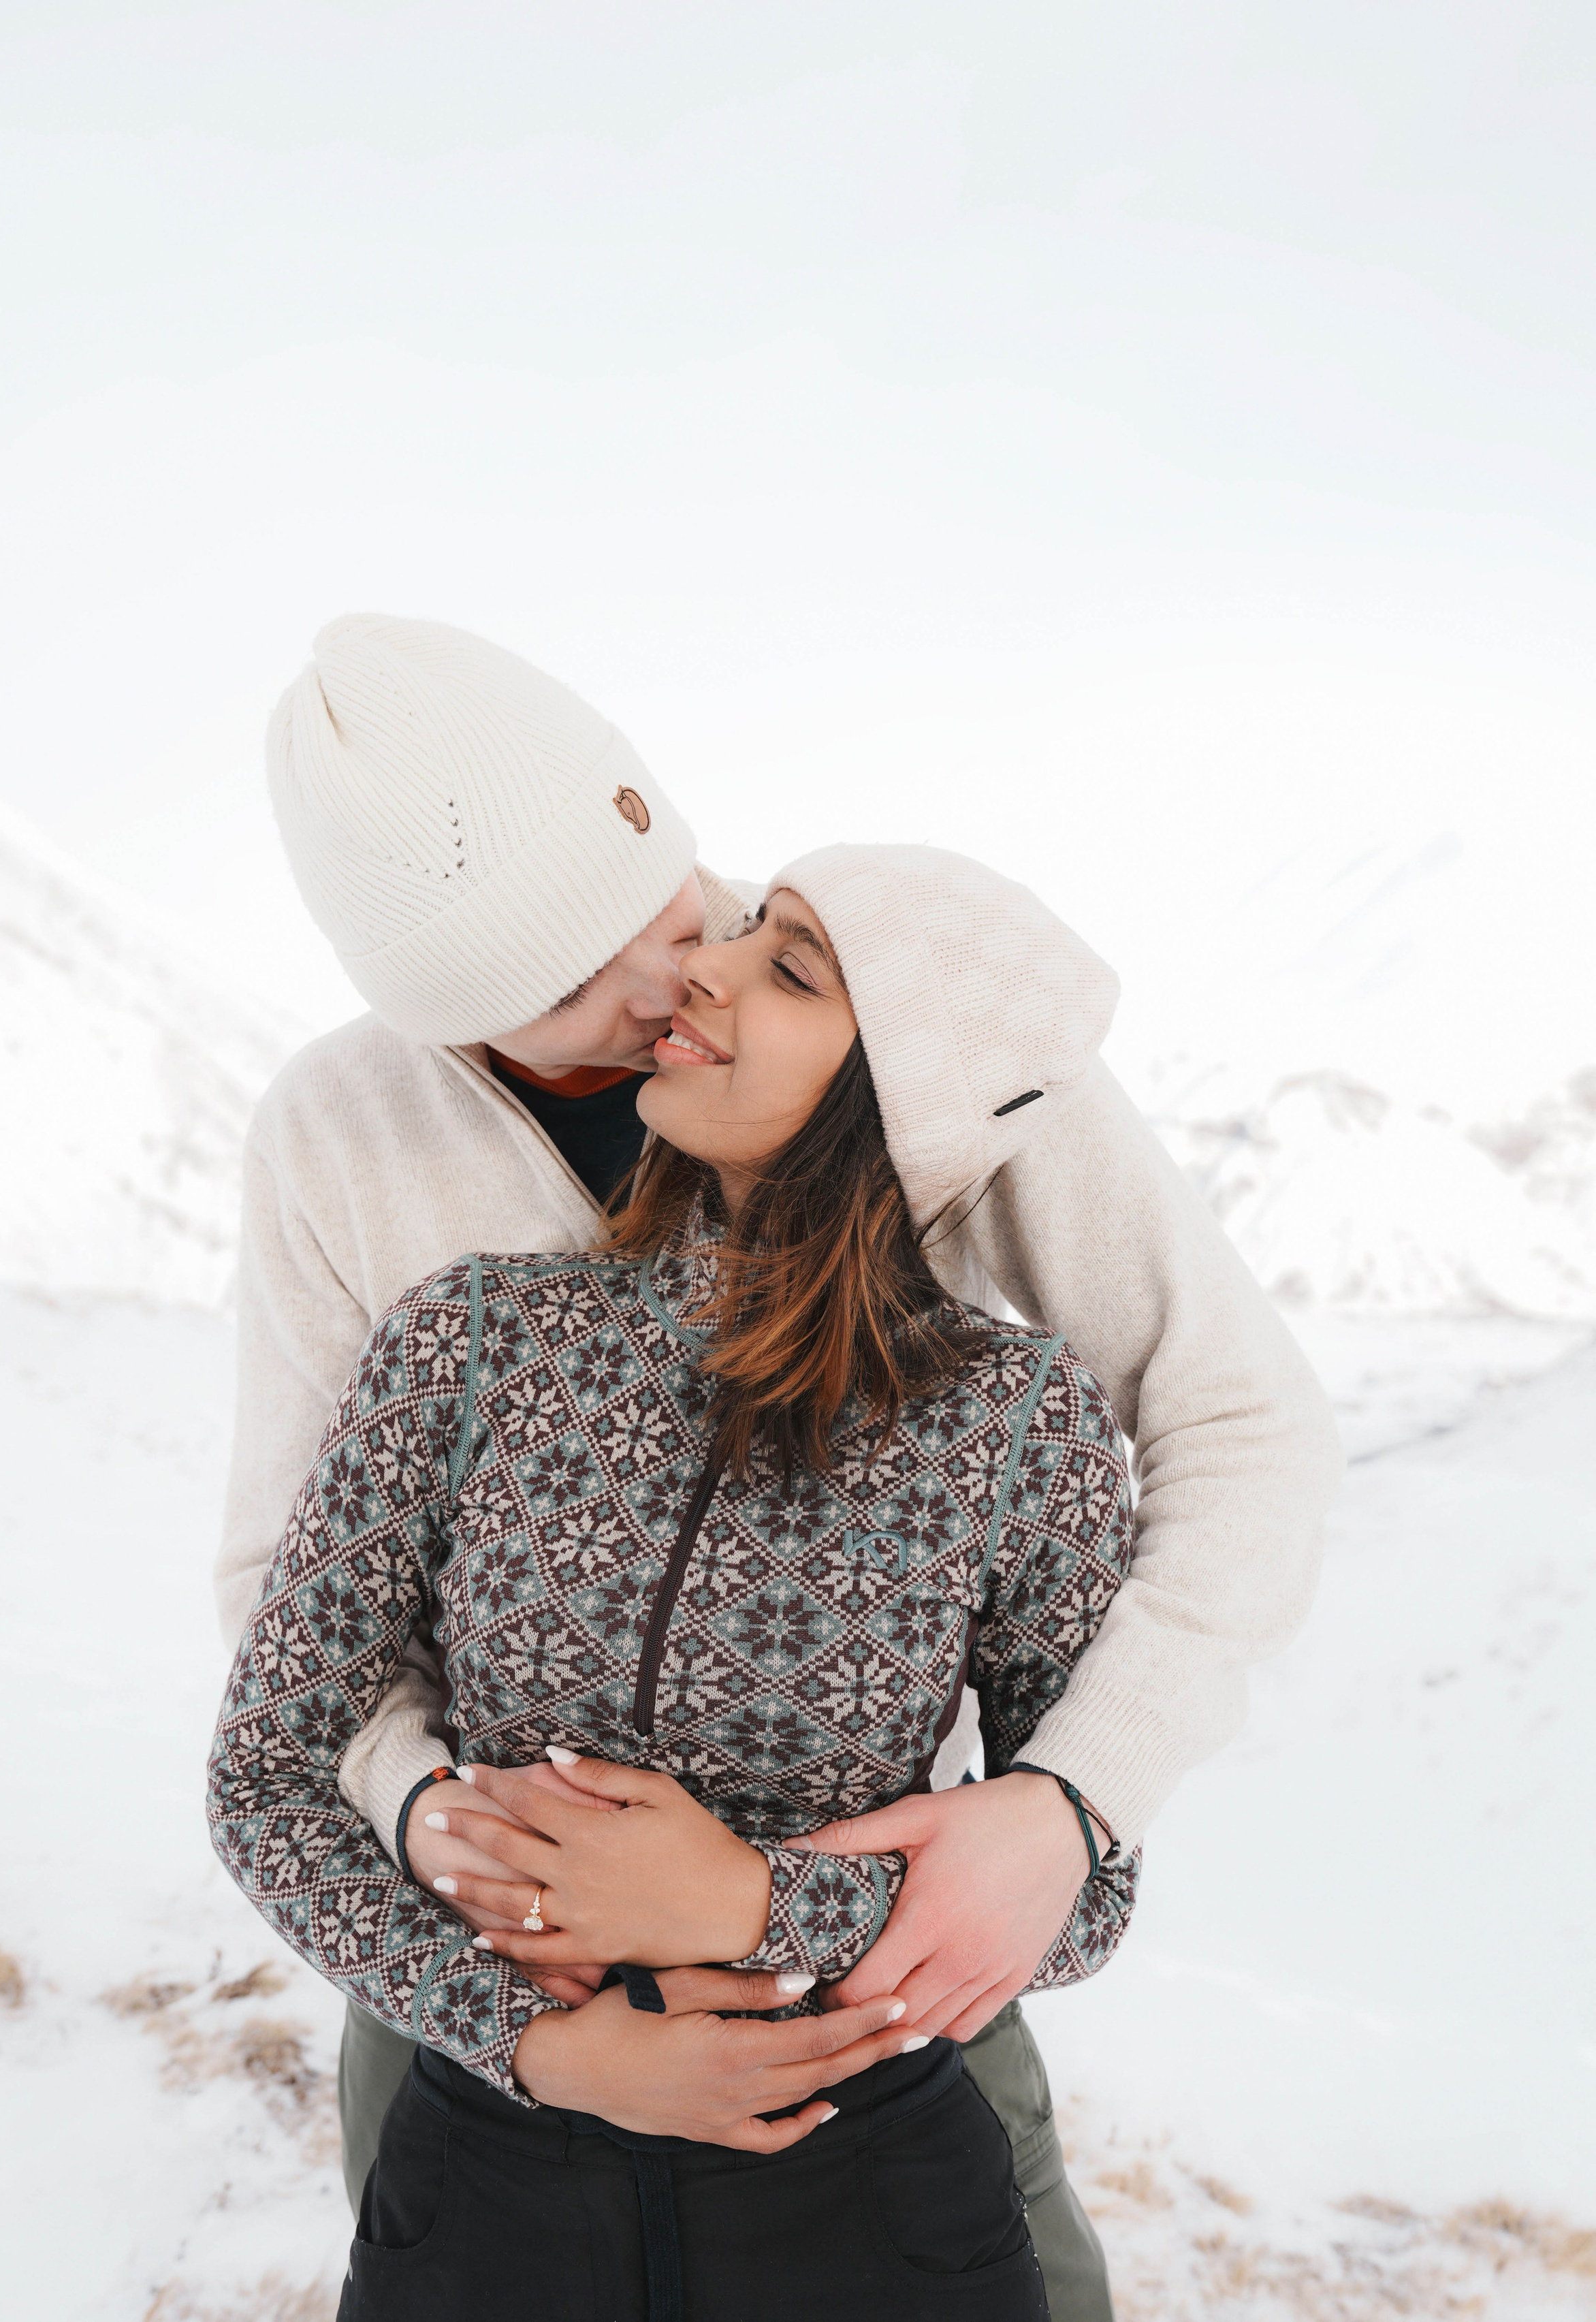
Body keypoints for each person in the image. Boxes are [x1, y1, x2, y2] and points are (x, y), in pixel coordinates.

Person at [214, 616, 1341, 2319]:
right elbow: (279, 1630)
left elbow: (1241, 1420)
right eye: (573, 985)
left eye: (675, 907)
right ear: (445, 1018)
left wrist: (1058, 1802)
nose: (671, 985)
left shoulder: (896, 1006)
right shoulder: (374, 1188)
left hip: (874, 2032)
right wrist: (447, 1852)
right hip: (487, 1998)